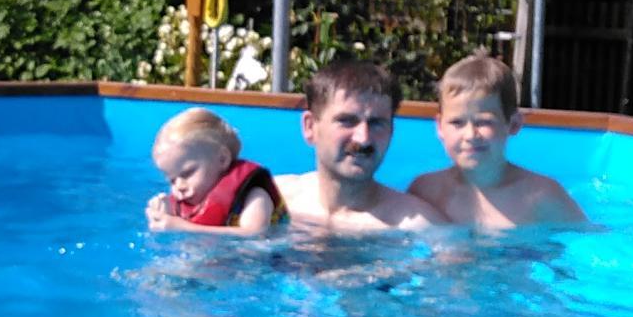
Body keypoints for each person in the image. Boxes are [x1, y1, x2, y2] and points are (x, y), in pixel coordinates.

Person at [408, 50, 586, 229]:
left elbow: (585, 240)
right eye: (457, 122)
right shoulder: (426, 190)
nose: (470, 135)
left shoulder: (541, 195)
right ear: (439, 127)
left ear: (514, 124)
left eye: (484, 122)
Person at [276, 60, 443, 232]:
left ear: (391, 130)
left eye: (376, 123)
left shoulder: (418, 228)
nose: (363, 139)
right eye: (347, 121)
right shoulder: (275, 200)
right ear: (310, 127)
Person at [146, 107, 285, 236]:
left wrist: (185, 227)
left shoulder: (254, 196)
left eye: (187, 173)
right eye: (172, 180)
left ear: (222, 159)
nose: (179, 186)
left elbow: (254, 235)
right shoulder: (190, 199)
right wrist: (165, 214)